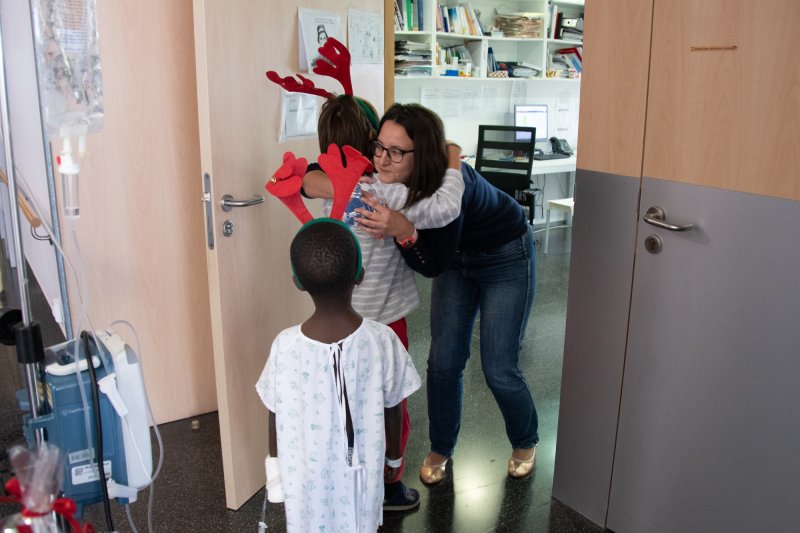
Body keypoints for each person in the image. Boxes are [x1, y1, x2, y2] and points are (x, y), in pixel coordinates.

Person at [355, 103, 539, 483]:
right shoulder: (390, 179)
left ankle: (525, 438)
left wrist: (404, 229)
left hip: (506, 254)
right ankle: (442, 446)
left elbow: (430, 263)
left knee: (499, 367)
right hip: (457, 260)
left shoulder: (448, 188)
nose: (382, 160)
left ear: (422, 154)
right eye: (379, 147)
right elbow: (319, 178)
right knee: (443, 362)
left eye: (396, 152)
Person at [301, 94, 463, 509]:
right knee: (392, 401)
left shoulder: (329, 190)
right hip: (386, 324)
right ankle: (390, 483)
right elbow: (445, 206)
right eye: (380, 147)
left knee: (345, 402)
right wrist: (453, 161)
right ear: (371, 145)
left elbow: (302, 178)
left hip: (337, 323)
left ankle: (345, 475)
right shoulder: (392, 194)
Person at [255, 218, 422, 532]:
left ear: (297, 282)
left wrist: (275, 468)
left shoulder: (285, 346)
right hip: (363, 479)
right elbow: (394, 407)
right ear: (360, 275)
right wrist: (394, 458)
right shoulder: (383, 340)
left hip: (305, 480)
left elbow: (274, 411)